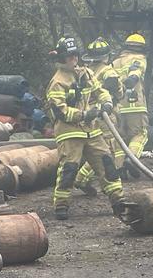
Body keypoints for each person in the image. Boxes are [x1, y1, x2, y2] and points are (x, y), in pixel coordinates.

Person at [45, 37, 125, 221]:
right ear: (62, 58)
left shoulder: (86, 74)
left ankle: (118, 200)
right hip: (70, 132)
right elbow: (60, 111)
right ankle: (61, 205)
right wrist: (84, 114)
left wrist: (106, 102)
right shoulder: (58, 81)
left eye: (75, 55)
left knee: (107, 164)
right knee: (69, 169)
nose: (73, 59)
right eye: (69, 56)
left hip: (92, 130)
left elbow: (101, 91)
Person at [74, 38, 124, 196]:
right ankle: (81, 179)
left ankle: (85, 180)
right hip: (105, 116)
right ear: (106, 56)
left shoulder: (86, 71)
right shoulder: (108, 70)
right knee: (106, 151)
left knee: (92, 150)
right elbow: (114, 90)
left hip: (89, 116)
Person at [111, 33, 150, 178]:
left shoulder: (115, 62)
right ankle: (132, 160)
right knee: (140, 134)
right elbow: (136, 71)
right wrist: (132, 78)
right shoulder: (139, 58)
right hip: (136, 106)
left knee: (120, 138)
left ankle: (120, 168)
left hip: (118, 107)